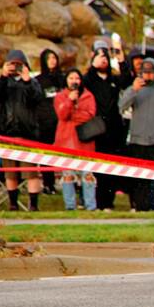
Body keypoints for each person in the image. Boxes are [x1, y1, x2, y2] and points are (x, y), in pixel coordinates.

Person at [118, 58, 154, 211]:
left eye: (151, 72)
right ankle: (141, 207)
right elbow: (121, 106)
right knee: (139, 180)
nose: (148, 75)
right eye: (145, 72)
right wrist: (133, 90)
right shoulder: (135, 91)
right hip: (137, 142)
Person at [0, 49, 44, 211]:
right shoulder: (4, 82)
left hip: (27, 134)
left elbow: (37, 98)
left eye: (19, 64)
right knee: (10, 173)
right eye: (12, 64)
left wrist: (27, 81)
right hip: (7, 134)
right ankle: (13, 204)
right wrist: (3, 76)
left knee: (31, 172)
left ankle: (33, 205)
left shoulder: (32, 82)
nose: (15, 67)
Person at [84, 44, 127, 211]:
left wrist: (121, 60)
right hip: (96, 130)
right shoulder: (89, 80)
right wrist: (92, 66)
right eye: (99, 56)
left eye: (105, 56)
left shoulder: (113, 80)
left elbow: (127, 80)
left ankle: (109, 201)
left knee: (113, 167)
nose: (103, 59)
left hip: (114, 130)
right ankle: (101, 202)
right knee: (99, 168)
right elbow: (82, 83)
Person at [53, 69, 97, 211]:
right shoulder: (60, 97)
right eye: (71, 78)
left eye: (77, 78)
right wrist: (69, 101)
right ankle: (70, 206)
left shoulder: (88, 96)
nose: (74, 81)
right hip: (66, 141)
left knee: (87, 174)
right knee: (68, 175)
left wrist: (73, 115)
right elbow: (62, 115)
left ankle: (90, 206)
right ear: (66, 80)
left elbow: (89, 115)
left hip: (85, 141)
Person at [35, 48, 64, 195]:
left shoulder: (62, 79)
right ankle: (48, 183)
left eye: (54, 58)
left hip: (62, 120)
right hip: (45, 122)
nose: (52, 61)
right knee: (46, 154)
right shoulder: (38, 81)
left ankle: (71, 182)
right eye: (49, 58)